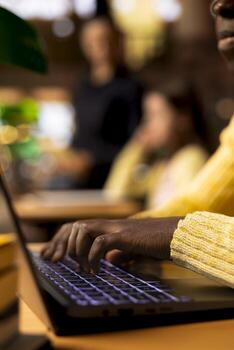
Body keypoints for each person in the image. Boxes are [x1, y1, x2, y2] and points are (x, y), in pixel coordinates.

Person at [42, 0, 234, 288]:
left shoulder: (132, 89)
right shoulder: (82, 87)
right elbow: (198, 203)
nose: (220, 4)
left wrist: (172, 235)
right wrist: (121, 231)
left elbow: (183, 216)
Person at [58, 10, 142, 189]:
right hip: (78, 174)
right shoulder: (82, 87)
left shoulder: (130, 88)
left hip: (111, 176)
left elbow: (135, 142)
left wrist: (93, 161)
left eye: (106, 39)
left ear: (117, 42)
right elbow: (79, 134)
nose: (101, 46)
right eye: (94, 41)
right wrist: (69, 158)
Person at [105, 80, 208, 209]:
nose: (148, 125)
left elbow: (187, 212)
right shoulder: (160, 166)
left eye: (156, 115)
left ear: (182, 119)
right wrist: (136, 148)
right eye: (147, 117)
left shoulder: (191, 159)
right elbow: (115, 194)